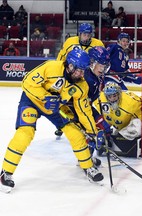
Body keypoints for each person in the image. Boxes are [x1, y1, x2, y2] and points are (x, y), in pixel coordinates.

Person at [0, 49, 104, 193]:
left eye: (83, 71)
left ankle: (88, 167)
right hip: (32, 102)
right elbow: (27, 82)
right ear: (70, 66)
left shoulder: (81, 85)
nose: (81, 74)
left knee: (76, 134)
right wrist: (45, 96)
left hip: (56, 108)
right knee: (25, 133)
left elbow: (84, 111)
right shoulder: (51, 67)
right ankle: (6, 173)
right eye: (79, 70)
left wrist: (92, 131)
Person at [55, 46, 112, 159]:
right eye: (100, 65)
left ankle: (89, 155)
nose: (103, 68)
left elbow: (88, 103)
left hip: (86, 107)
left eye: (104, 66)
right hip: (74, 109)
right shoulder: (85, 79)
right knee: (91, 134)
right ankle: (86, 159)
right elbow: (79, 105)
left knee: (103, 128)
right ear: (92, 63)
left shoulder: (96, 76)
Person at [94, 82, 142, 157]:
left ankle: (120, 136)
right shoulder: (100, 100)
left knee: (138, 124)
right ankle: (109, 138)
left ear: (119, 94)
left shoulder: (131, 103)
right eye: (109, 96)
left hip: (129, 122)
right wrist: (101, 129)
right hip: (117, 122)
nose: (112, 99)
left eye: (115, 96)